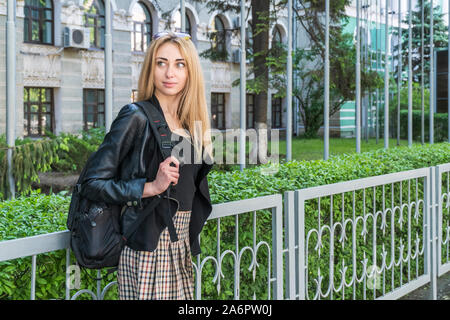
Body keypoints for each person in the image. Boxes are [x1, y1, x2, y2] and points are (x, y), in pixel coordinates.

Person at [79, 31, 214, 300]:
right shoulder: (135, 116)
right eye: (160, 63)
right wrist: (150, 186)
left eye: (179, 64)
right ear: (150, 69)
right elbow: (91, 183)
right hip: (149, 248)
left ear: (190, 72)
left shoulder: (190, 123)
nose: (169, 73)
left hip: (181, 247)